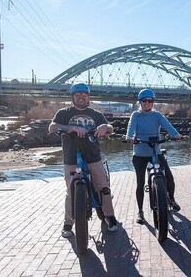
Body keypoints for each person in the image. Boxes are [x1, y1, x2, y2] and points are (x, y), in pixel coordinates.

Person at [48, 83, 118, 238]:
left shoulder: (95, 114)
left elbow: (111, 128)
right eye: (78, 95)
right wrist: (69, 128)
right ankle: (68, 223)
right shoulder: (64, 113)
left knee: (103, 187)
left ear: (88, 97)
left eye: (84, 95)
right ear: (73, 97)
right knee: (70, 190)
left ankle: (110, 217)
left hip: (93, 156)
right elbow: (52, 128)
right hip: (71, 157)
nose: (81, 97)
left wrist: (105, 127)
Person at [126, 88, 183, 224]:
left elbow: (167, 126)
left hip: (155, 151)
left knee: (169, 176)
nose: (147, 103)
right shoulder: (136, 115)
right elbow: (131, 127)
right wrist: (129, 137)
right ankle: (140, 211)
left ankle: (172, 200)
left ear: (153, 102)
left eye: (149, 101)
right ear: (140, 102)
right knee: (140, 183)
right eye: (144, 101)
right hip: (140, 153)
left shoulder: (157, 115)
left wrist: (176, 135)